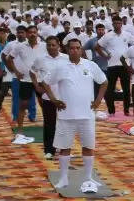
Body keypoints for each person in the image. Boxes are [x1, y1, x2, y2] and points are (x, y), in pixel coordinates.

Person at [43, 38, 107, 190]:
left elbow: (104, 82)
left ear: (81, 49)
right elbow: (45, 82)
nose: (75, 50)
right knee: (65, 148)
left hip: (87, 114)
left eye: (78, 48)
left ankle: (88, 177)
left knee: (88, 147)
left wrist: (98, 101)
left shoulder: (90, 65)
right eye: (72, 48)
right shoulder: (61, 67)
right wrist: (53, 99)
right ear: (67, 49)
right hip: (67, 115)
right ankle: (64, 178)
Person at [31, 36, 68, 160]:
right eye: (48, 45)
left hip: (65, 96)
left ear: (59, 45)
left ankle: (64, 149)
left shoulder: (66, 59)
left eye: (53, 45)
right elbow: (32, 71)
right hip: (48, 97)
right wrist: (37, 86)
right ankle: (49, 150)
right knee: (49, 124)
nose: (51, 47)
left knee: (65, 123)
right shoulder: (40, 59)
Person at [97, 17, 134, 117]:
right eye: (115, 23)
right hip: (112, 66)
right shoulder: (108, 36)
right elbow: (97, 46)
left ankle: (126, 110)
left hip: (124, 66)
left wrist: (131, 61)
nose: (117, 25)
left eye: (119, 23)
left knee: (126, 89)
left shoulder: (127, 35)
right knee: (110, 90)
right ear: (113, 24)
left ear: (121, 24)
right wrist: (105, 56)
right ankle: (111, 110)